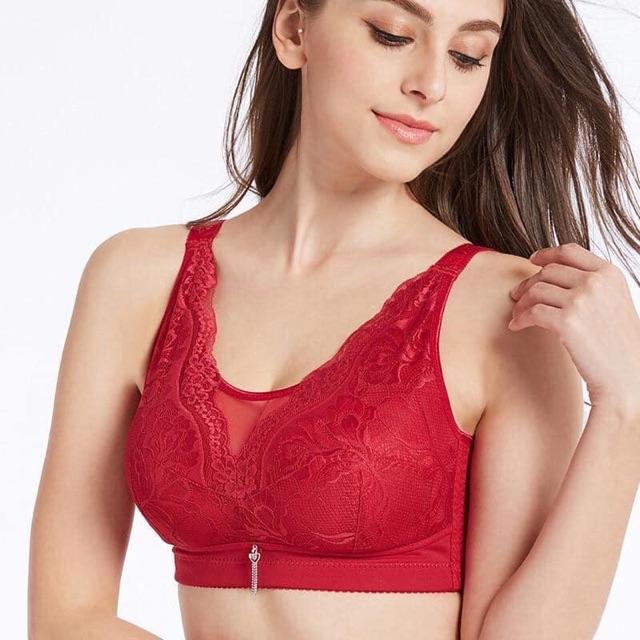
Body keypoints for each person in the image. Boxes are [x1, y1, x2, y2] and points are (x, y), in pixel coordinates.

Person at [29, 1, 640, 639]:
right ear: (295, 29)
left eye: (467, 57)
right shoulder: (137, 279)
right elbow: (67, 618)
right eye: (393, 35)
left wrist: (626, 407)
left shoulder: (507, 310)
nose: (431, 84)